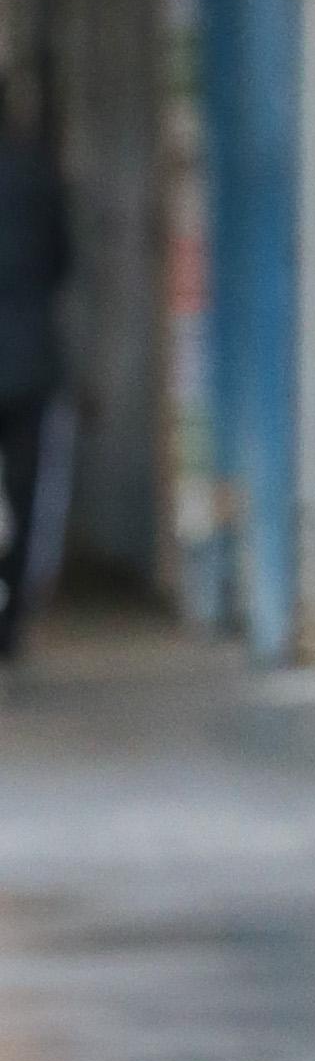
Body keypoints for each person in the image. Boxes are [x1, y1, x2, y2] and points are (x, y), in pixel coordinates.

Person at [0, 80, 67, 666]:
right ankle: (10, 621)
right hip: (27, 363)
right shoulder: (38, 177)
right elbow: (63, 262)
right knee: (25, 498)